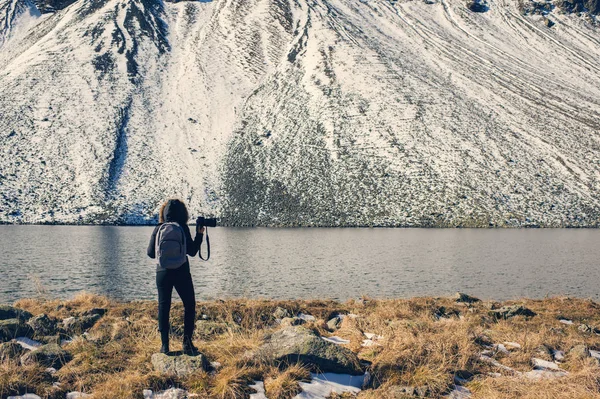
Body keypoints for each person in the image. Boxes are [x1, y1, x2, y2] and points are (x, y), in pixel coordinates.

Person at [147, 199, 204, 355]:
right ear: (183, 213)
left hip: (162, 271)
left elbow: (150, 253)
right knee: (189, 305)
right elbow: (192, 252)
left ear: (164, 213)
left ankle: (164, 346)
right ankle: (187, 344)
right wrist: (199, 235)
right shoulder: (183, 227)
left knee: (164, 306)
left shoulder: (158, 228)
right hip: (181, 270)